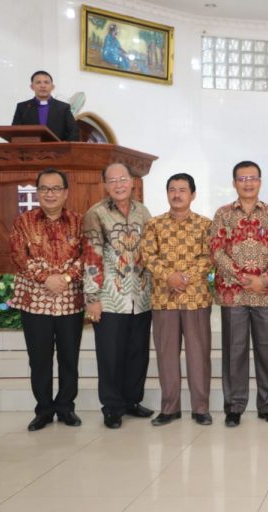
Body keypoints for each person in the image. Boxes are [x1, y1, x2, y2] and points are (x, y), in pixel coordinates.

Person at [210, 161, 268, 427]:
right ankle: (234, 407)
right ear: (234, 183)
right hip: (234, 295)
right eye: (242, 178)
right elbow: (217, 252)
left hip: (265, 294)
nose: (248, 183)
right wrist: (244, 279)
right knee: (235, 352)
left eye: (253, 178)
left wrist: (265, 279)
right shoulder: (223, 214)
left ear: (260, 182)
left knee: (267, 352)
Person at [8, 168, 84, 431]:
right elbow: (18, 255)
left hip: (69, 299)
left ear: (65, 192)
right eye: (44, 189)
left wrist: (64, 279)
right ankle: (43, 409)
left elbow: (88, 257)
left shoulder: (79, 221)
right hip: (34, 301)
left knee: (68, 357)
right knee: (39, 358)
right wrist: (45, 278)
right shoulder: (23, 221)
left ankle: (65, 407)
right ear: (37, 192)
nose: (49, 194)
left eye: (55, 189)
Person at [83, 162, 154, 429]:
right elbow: (91, 256)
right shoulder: (96, 213)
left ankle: (132, 401)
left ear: (132, 182)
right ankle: (112, 407)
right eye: (112, 181)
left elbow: (149, 250)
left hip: (141, 295)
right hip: (111, 297)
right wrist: (93, 298)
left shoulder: (142, 211)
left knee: (138, 352)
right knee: (110, 355)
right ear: (105, 185)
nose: (119, 185)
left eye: (122, 179)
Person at [141, 173, 213, 426]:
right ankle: (169, 408)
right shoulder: (154, 224)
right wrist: (168, 276)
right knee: (166, 355)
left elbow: (208, 257)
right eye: (172, 189)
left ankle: (201, 408)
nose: (177, 194)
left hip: (196, 299)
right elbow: (148, 255)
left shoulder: (205, 224)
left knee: (198, 355)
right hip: (164, 299)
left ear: (193, 194)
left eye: (183, 190)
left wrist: (185, 278)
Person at [12, 70, 79, 141]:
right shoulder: (23, 108)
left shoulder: (63, 107)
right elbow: (14, 132)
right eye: (38, 82)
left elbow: (73, 132)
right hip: (30, 150)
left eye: (46, 82)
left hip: (57, 150)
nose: (43, 86)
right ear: (32, 87)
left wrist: (64, 148)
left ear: (52, 87)